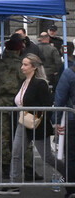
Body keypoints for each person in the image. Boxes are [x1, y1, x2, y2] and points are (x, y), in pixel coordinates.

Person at [4, 54, 62, 194]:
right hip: (23, 123)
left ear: (34, 67)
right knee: (16, 154)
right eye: (22, 64)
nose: (22, 67)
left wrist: (48, 122)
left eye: (25, 65)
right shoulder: (24, 82)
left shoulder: (40, 83)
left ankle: (70, 173)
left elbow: (47, 105)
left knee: (47, 156)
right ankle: (14, 184)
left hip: (37, 125)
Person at [0, 37, 29, 188]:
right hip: (17, 105)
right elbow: (26, 85)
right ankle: (28, 168)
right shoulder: (20, 66)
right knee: (23, 136)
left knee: (2, 137)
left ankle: (5, 167)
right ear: (18, 50)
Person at [53, 61, 75, 198]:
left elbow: (60, 98)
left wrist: (56, 121)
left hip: (72, 118)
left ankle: (72, 190)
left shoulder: (69, 72)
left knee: (71, 156)